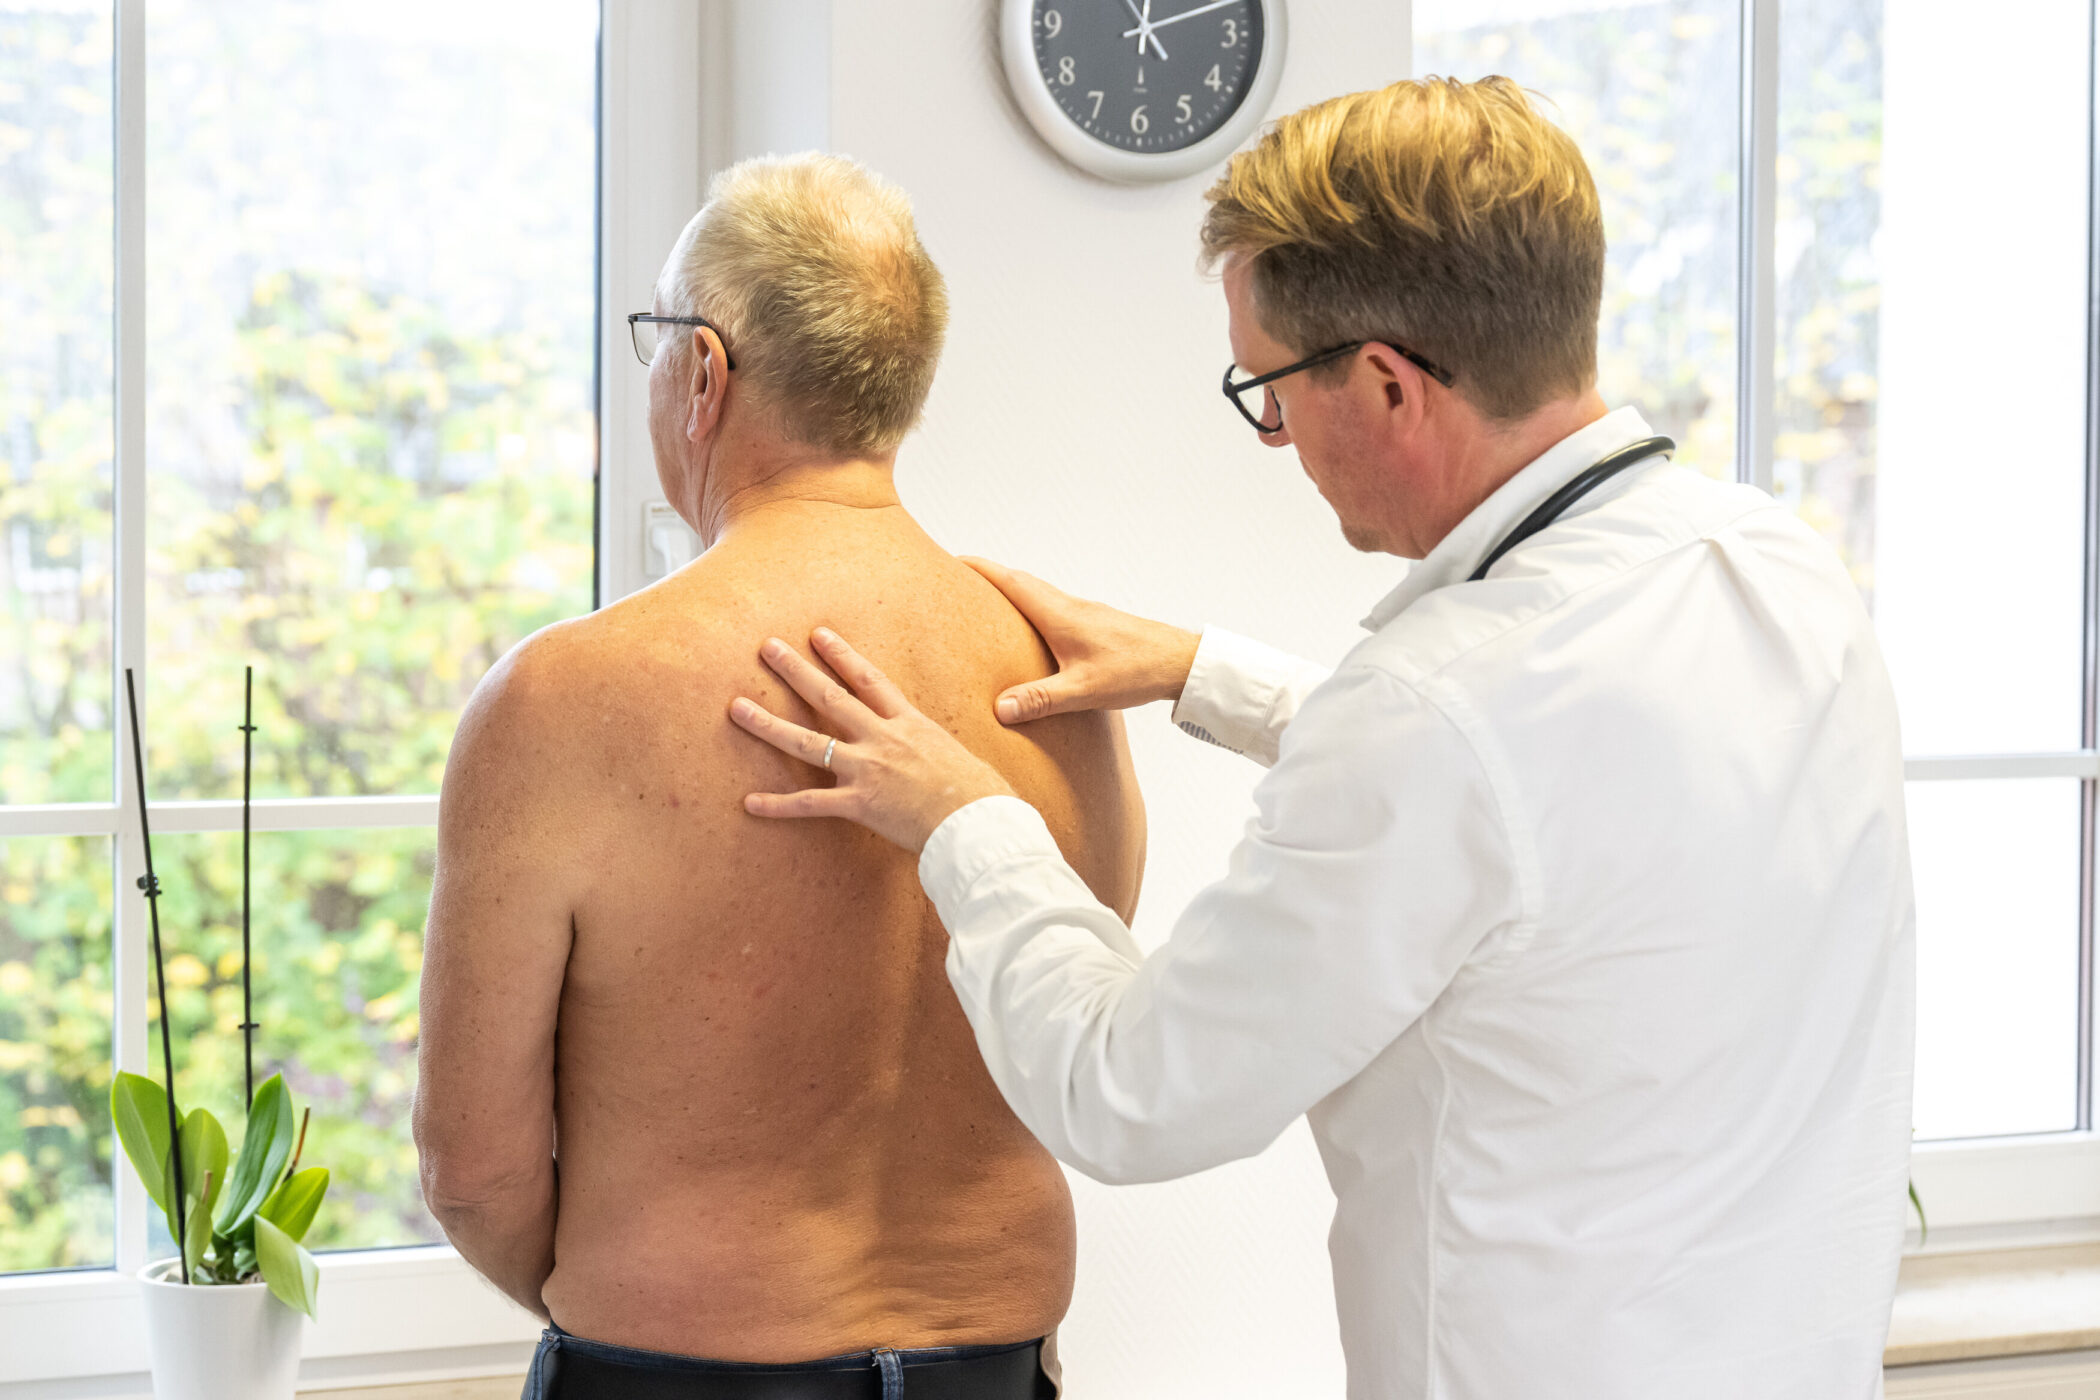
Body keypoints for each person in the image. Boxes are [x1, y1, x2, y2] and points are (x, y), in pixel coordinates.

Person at [728, 79, 1916, 1399]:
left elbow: (1133, 1091)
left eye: (1272, 387)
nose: (1275, 435)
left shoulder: (1439, 709)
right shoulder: (1776, 568)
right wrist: (1205, 674)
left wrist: (963, 820)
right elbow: (1547, 808)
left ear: (1393, 387)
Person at [413, 153, 1145, 1400]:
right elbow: (1073, 1028)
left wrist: (633, 1294)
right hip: (997, 1362)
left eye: (657, 339)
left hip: (678, 1370)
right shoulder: (1065, 671)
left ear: (702, 373)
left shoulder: (564, 697)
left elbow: (472, 1164)